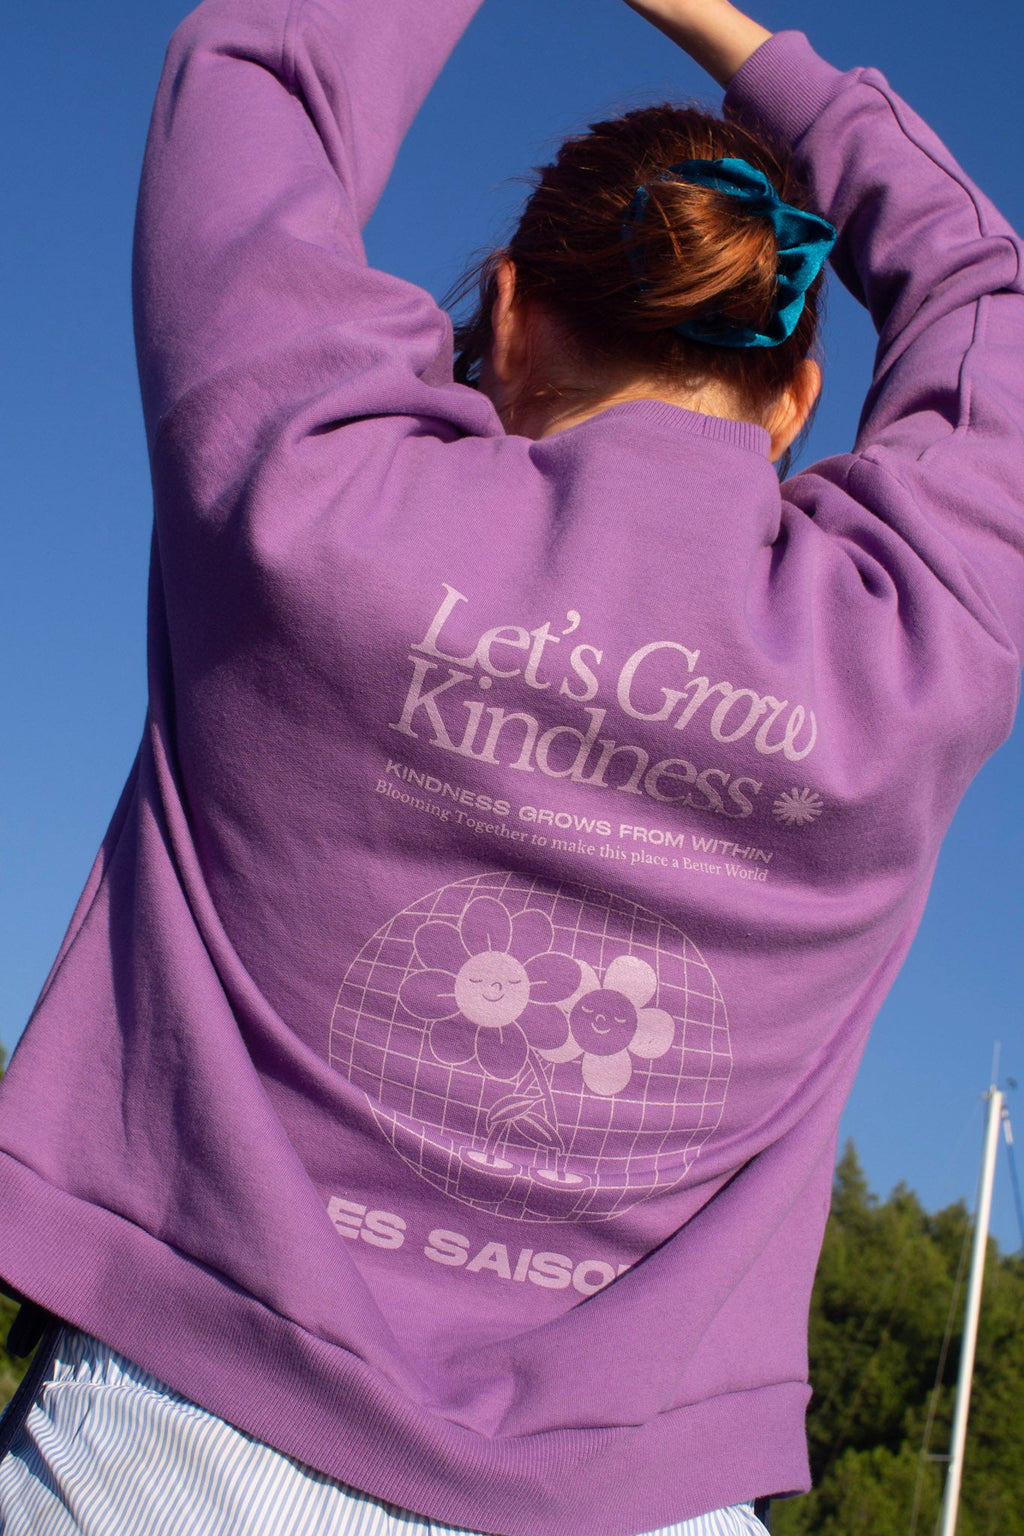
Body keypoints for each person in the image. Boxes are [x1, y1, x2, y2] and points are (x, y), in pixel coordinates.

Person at [0, 0, 1021, 1531]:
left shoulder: (311, 489)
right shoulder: (913, 650)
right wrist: (743, 38)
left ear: (513, 312)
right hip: (643, 1497)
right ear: (801, 398)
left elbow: (259, 67)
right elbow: (989, 289)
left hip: (167, 1448)